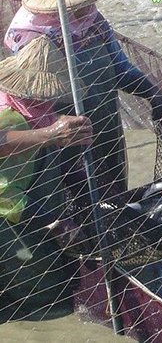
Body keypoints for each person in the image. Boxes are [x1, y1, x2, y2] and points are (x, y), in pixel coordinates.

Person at [4, 0, 162, 198]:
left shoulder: (94, 22)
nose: (90, 5)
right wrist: (54, 132)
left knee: (115, 196)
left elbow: (121, 68)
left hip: (105, 122)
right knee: (78, 201)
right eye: (81, 2)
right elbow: (29, 108)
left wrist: (152, 92)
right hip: (63, 138)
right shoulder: (32, 40)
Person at [0, 36, 93, 319]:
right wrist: (49, 135)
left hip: (36, 213)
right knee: (45, 302)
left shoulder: (41, 112)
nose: (49, 99)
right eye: (43, 94)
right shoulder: (10, 116)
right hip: (12, 216)